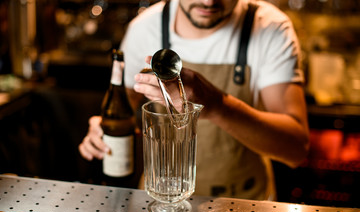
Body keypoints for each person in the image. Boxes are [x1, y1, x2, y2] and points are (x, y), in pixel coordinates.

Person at [79, 0, 309, 200]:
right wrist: (103, 127)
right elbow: (123, 112)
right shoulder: (145, 28)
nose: (208, 2)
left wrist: (216, 105)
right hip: (161, 198)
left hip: (244, 203)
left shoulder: (270, 28)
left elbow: (296, 149)